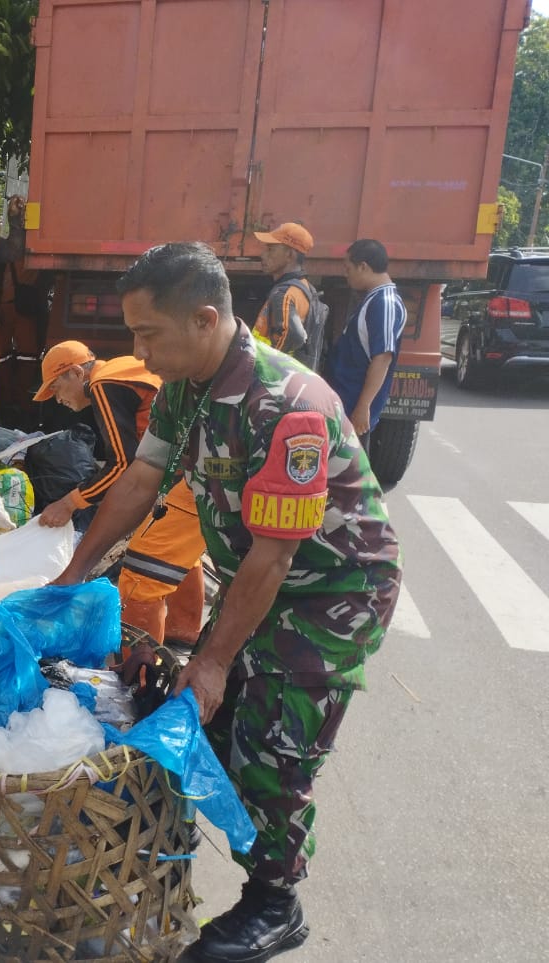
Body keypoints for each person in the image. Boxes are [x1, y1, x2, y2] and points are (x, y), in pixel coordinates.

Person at [53, 242, 400, 962]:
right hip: (261, 576)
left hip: (332, 592)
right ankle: (164, 854)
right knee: (207, 721)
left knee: (270, 746)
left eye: (149, 334)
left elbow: (276, 555)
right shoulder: (188, 384)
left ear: (206, 319)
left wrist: (214, 660)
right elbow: (143, 478)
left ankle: (276, 901)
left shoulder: (289, 408)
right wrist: (74, 574)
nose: (139, 352)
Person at [34, 341, 206, 645]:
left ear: (75, 373)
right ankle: (183, 628)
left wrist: (70, 502)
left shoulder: (103, 384)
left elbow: (123, 466)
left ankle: (138, 674)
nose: (56, 399)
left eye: (55, 388)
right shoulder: (123, 368)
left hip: (190, 475)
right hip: (196, 467)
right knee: (176, 551)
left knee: (141, 572)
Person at [326, 238, 407, 440]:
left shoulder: (384, 303)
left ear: (363, 267)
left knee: (350, 468)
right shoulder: (373, 298)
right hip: (345, 404)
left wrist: (363, 407)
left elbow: (383, 357)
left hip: (353, 408)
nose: (346, 275)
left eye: (348, 269)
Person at [252, 221, 326, 367]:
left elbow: (293, 336)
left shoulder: (285, 294)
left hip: (275, 380)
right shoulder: (306, 287)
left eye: (271, 249)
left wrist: (267, 369)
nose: (263, 255)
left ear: (290, 255)